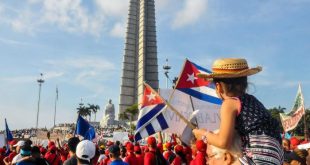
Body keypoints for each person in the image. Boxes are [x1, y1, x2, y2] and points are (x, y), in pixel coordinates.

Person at [193, 58, 283, 164]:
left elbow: (223, 142)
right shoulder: (252, 100)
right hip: (277, 155)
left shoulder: (229, 104)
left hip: (257, 157)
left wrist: (203, 134)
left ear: (218, 87)